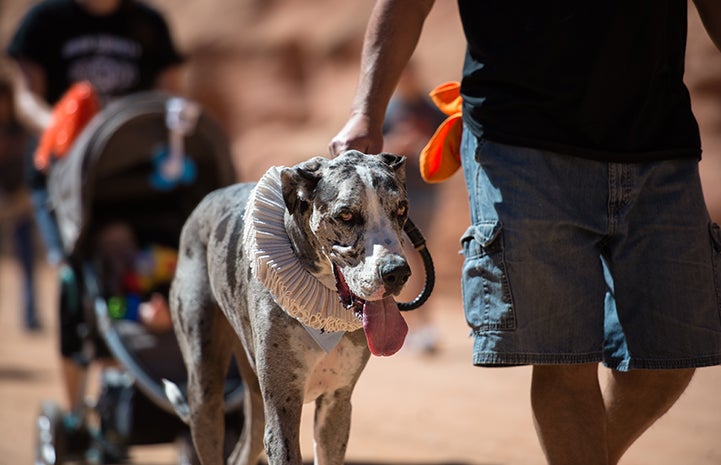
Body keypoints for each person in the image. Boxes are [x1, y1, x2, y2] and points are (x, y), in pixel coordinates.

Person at [329, 2, 721, 464]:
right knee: (562, 356)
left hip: (660, 137)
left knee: (673, 355)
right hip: (519, 141)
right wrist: (366, 113)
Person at [5, 0, 184, 455]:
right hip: (64, 175)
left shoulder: (147, 24)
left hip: (134, 178)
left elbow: (171, 97)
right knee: (75, 282)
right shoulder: (45, 22)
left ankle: (126, 394)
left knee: (137, 280)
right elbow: (26, 98)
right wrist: (66, 128)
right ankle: (77, 410)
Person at [383, 62, 445, 355]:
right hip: (395, 193)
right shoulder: (388, 110)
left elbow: (446, 144)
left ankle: (422, 326)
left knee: (417, 255)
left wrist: (422, 148)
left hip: (425, 193)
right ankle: (411, 326)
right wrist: (397, 145)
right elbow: (374, 148)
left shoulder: (430, 109)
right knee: (404, 257)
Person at [0, 77, 40, 331]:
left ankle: (30, 315)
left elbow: (33, 165)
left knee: (27, 262)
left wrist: (24, 198)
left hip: (21, 203)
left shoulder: (21, 129)